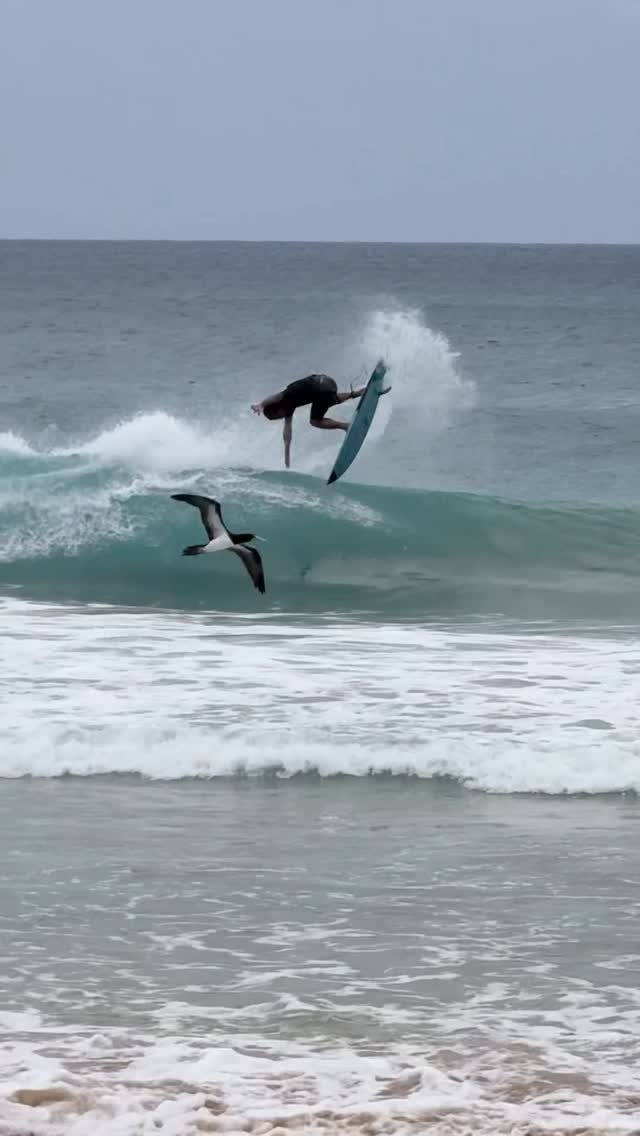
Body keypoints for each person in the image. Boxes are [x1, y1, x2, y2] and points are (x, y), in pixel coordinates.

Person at [252, 374, 366, 468]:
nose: (281, 417)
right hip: (327, 382)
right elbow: (287, 432)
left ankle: (346, 426)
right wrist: (287, 456)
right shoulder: (289, 406)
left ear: (277, 409)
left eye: (278, 416)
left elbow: (275, 397)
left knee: (315, 421)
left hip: (321, 389)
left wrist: (261, 404)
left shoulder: (286, 395)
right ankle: (357, 393)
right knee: (329, 400)